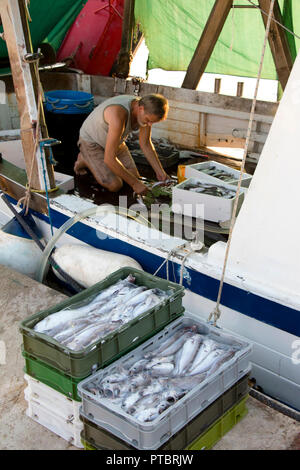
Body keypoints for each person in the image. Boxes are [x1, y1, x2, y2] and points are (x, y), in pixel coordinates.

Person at [74, 93, 169, 195]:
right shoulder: (118, 114)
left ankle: (93, 161)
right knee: (115, 185)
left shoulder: (145, 110)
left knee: (134, 177)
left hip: (115, 142)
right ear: (140, 108)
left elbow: (145, 144)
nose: (149, 125)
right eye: (148, 121)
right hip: (92, 142)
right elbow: (109, 159)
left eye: (152, 122)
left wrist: (160, 172)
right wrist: (135, 184)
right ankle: (85, 159)